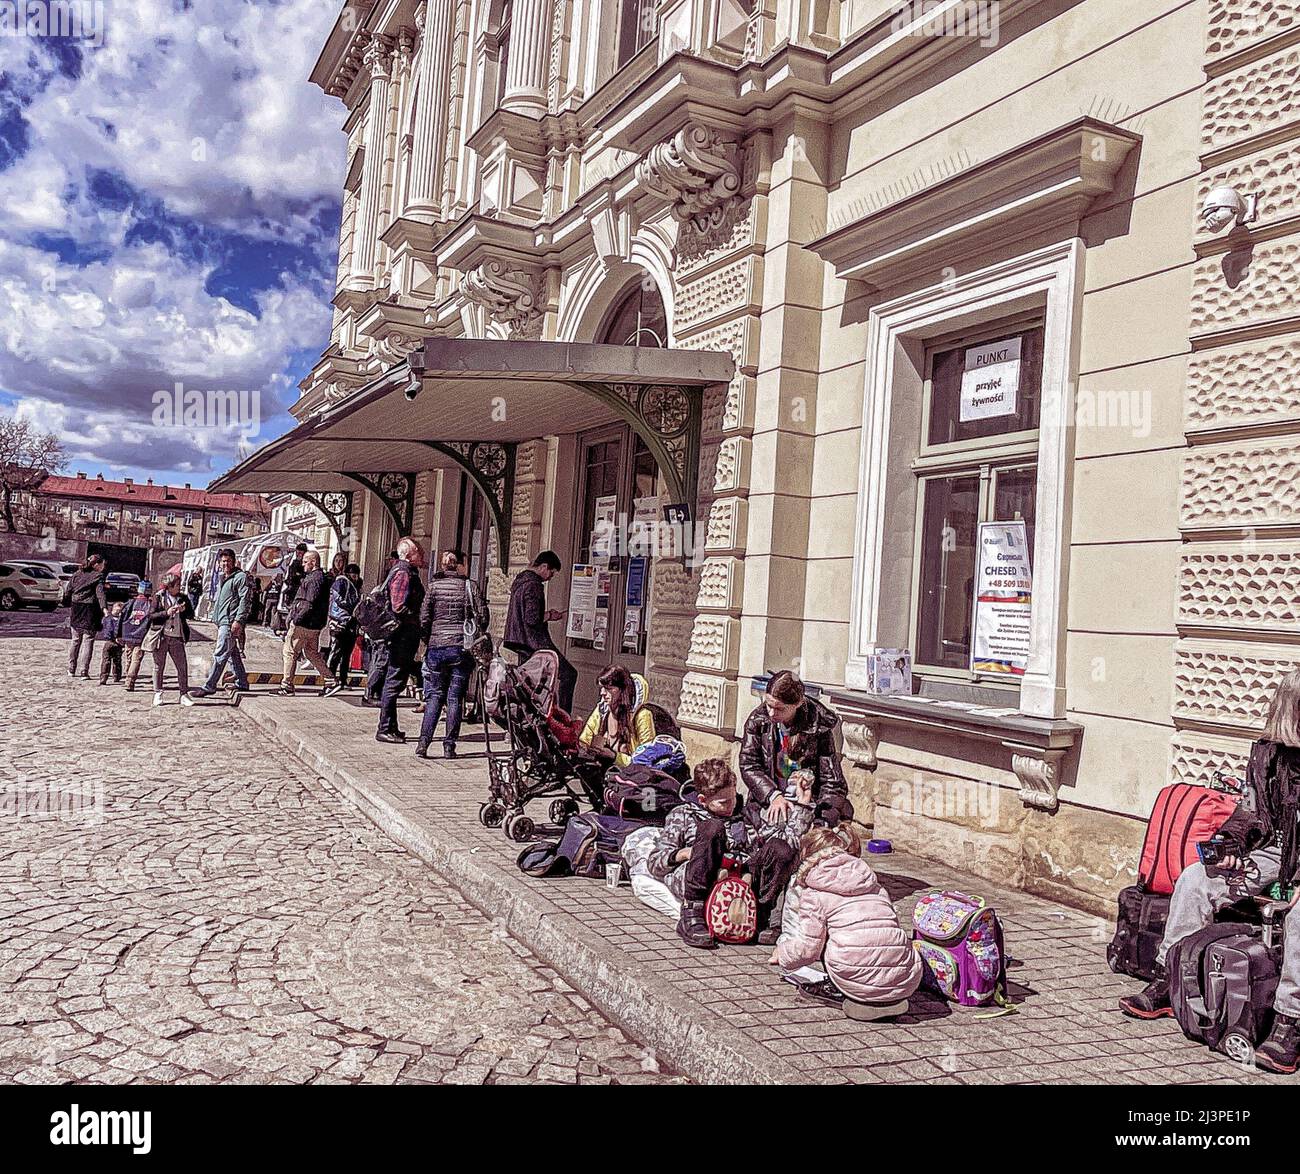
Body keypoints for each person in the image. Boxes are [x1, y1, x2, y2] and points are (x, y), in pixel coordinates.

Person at [1119, 669, 1300, 1074]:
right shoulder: (1269, 753)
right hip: (1277, 852)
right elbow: (1251, 814)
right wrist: (1229, 848)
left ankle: (1290, 1021)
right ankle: (1172, 977)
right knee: (1197, 880)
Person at [649, 758, 814, 950]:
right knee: (712, 828)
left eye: (733, 798)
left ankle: (761, 916)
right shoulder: (684, 815)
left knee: (780, 848)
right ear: (703, 800)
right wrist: (684, 854)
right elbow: (654, 863)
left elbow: (790, 843)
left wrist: (803, 805)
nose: (730, 805)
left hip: (743, 880)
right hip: (705, 875)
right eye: (723, 802)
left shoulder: (748, 815)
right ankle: (692, 913)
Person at [772, 823, 922, 1020]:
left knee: (823, 936)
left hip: (853, 971)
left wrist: (782, 954)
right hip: (905, 979)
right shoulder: (874, 886)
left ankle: (838, 988)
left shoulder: (814, 893)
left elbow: (808, 948)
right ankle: (883, 994)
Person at [415, 550, 489, 759]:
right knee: (455, 698)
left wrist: (428, 639)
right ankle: (449, 746)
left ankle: (423, 744)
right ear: (458, 566)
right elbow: (483, 616)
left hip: (437, 648)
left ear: (442, 565)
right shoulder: (469, 586)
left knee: (435, 697)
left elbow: (424, 618)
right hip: (461, 648)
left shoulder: (434, 587)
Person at [503, 550, 576, 713]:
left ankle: (522, 717)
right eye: (551, 572)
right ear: (544, 566)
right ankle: (563, 717)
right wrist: (550, 615)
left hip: (520, 641)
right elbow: (532, 618)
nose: (550, 577)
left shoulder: (521, 581)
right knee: (569, 674)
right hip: (534, 642)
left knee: (527, 684)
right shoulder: (534, 585)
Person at [375, 538, 426, 743]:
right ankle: (385, 727)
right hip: (401, 636)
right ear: (408, 554)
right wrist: (416, 619)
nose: (421, 555)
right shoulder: (403, 572)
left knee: (395, 680)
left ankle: (391, 727)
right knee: (394, 681)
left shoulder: (405, 571)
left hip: (403, 635)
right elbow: (397, 606)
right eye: (418, 552)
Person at [190, 548, 252, 699]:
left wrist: (238, 620)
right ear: (219, 563)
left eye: (228, 561)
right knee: (232, 654)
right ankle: (242, 682)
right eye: (223, 561)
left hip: (230, 621)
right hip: (222, 620)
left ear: (234, 561)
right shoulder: (224, 577)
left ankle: (209, 686)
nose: (226, 564)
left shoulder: (240, 577)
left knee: (220, 654)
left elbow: (245, 600)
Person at [274, 551, 336, 697]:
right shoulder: (319, 578)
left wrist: (296, 619)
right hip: (314, 624)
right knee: (311, 653)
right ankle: (331, 681)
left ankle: (286, 686)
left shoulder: (314, 579)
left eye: (305, 562)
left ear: (313, 562)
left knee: (289, 652)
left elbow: (309, 602)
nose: (302, 565)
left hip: (304, 623)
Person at [578, 665, 655, 768]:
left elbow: (646, 760)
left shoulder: (642, 716)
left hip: (629, 778)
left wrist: (614, 756)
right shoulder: (602, 710)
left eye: (609, 689)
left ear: (623, 690)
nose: (602, 693)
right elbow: (584, 741)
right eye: (602, 688)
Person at [149, 573, 194, 707]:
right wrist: (166, 613)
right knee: (158, 666)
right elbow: (151, 616)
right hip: (161, 636)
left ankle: (184, 694)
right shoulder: (159, 597)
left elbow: (191, 614)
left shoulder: (183, 598)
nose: (179, 588)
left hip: (177, 637)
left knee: (182, 666)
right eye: (177, 585)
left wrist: (184, 610)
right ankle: (158, 693)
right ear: (169, 587)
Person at [363, 550, 401, 705]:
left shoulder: (379, 589)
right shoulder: (383, 591)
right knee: (380, 662)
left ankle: (374, 693)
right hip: (383, 632)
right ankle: (370, 692)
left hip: (378, 632)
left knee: (379, 661)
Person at [63, 553, 107, 678]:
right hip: (90, 610)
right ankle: (84, 671)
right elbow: (100, 593)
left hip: (76, 608)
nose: (104, 567)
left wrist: (66, 602)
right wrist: (104, 609)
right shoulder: (98, 576)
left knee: (75, 640)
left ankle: (71, 669)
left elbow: (68, 590)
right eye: (103, 564)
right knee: (88, 640)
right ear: (97, 565)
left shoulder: (77, 574)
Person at [326, 563, 363, 692]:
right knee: (336, 652)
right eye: (354, 574)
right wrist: (352, 604)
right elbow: (338, 598)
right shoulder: (341, 582)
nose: (356, 577)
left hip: (350, 623)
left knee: (346, 654)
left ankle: (342, 680)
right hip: (339, 622)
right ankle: (329, 680)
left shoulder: (356, 586)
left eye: (357, 574)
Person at [121, 579, 153, 692]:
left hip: (128, 633)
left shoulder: (130, 603)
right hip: (141, 635)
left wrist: (119, 634)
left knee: (128, 658)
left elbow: (122, 618)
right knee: (136, 659)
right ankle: (130, 680)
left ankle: (126, 678)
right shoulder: (149, 605)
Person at [97, 601, 126, 685]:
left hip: (109, 642)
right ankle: (117, 676)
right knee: (117, 660)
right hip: (118, 642)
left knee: (106, 660)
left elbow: (107, 629)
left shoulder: (107, 619)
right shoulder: (122, 621)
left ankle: (104, 677)